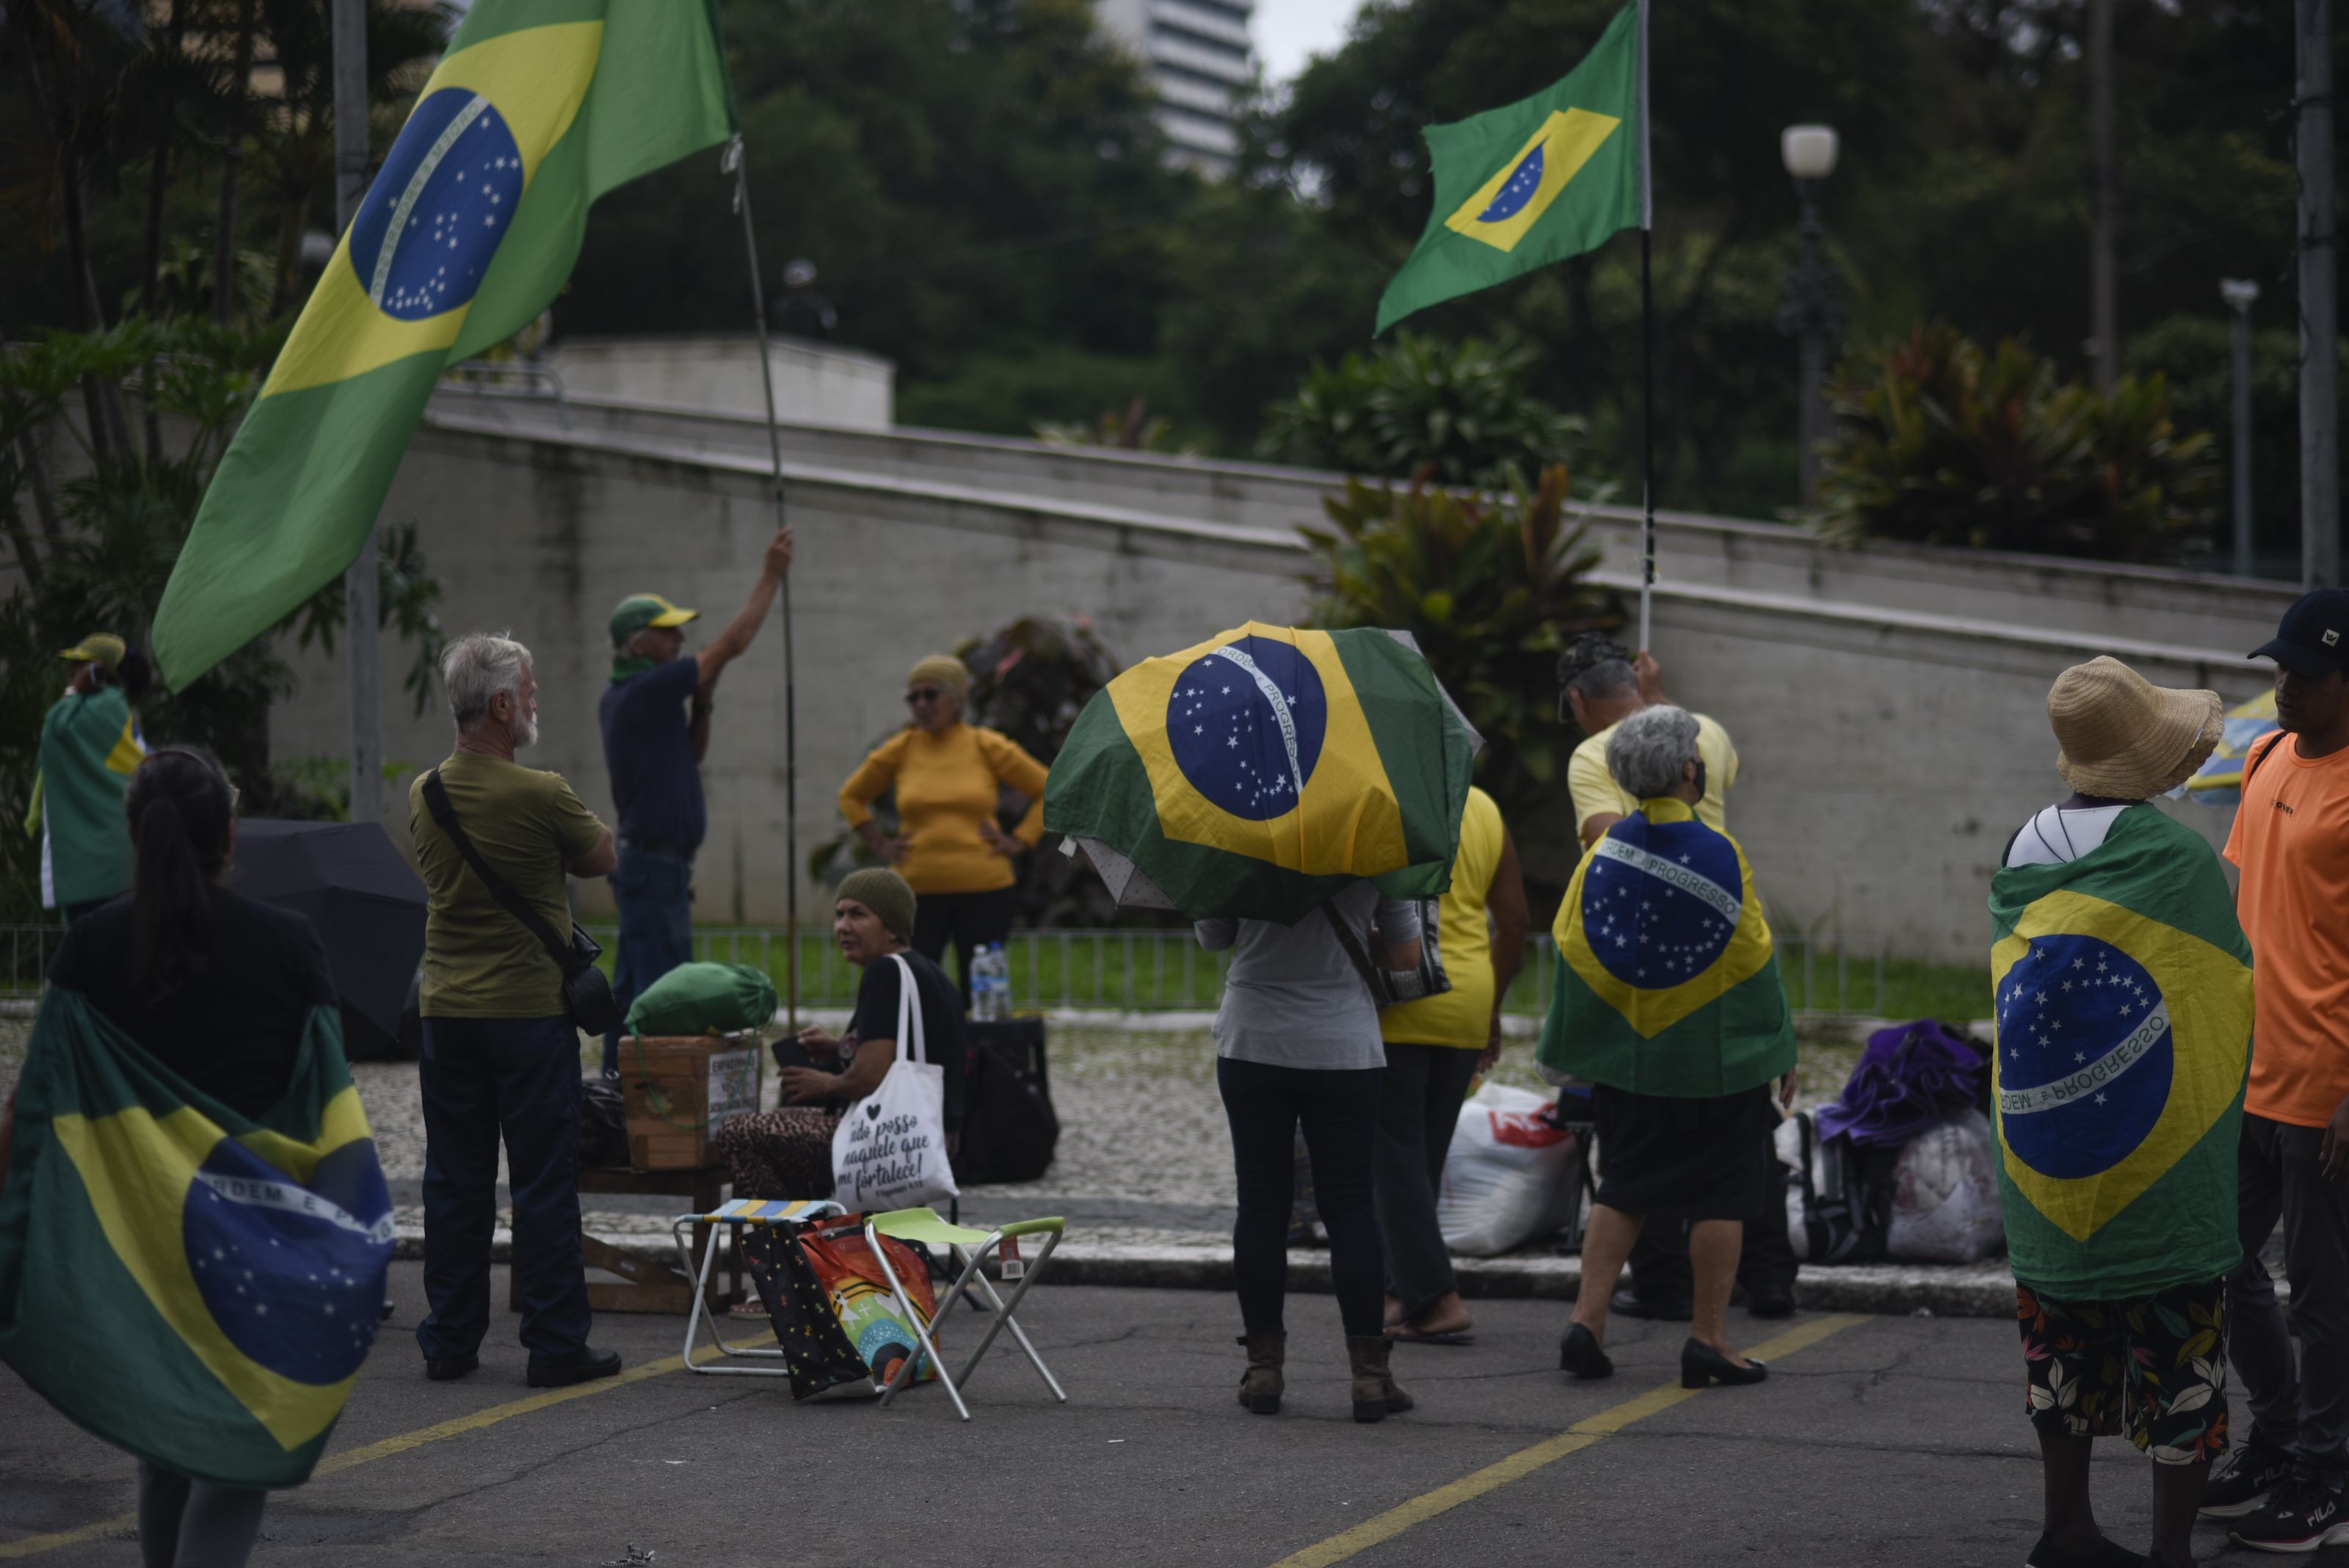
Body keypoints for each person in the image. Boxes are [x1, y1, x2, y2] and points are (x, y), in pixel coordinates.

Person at [14, 749, 341, 1568]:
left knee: (162, 1448)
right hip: (248, 1244)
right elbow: (327, 1107)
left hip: (139, 1244)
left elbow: (41, 1099)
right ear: (231, 832)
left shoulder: (92, 947)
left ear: (133, 833)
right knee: (228, 1470)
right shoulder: (289, 947)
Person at [1990, 657, 2245, 1568]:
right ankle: (2169, 1551)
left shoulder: (2020, 846)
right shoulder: (2173, 859)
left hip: (2047, 1151)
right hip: (2154, 1159)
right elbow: (2218, 995)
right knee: (2179, 1358)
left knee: (2059, 1343)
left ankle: (2064, 1528)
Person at [1545, 705, 1795, 1392]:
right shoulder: (1719, 852)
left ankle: (1585, 1324)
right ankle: (1709, 1340)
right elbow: (1752, 958)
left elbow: (1575, 946)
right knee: (1722, 1192)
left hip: (1630, 1060)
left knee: (1624, 1183)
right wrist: (1778, 1047)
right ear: (1691, 769)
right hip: (1714, 1062)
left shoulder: (1603, 853)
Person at [409, 632, 621, 1388]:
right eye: (528, 693)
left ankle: (449, 1341)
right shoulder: (542, 793)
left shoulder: (425, 792)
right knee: (541, 1182)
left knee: (454, 1181)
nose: (534, 704)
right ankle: (556, 1343)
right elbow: (602, 856)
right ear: (501, 705)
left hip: (446, 1013)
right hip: (528, 1014)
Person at [2204, 588, 2349, 1553]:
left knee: (2325, 1297)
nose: (2285, 685)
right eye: (2279, 668)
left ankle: (2324, 1478)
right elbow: (2253, 924)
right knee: (2213, 1260)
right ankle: (2284, 1433)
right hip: (2248, 1073)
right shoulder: (2261, 759)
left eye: (2305, 673)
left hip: (2326, 1087)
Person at [1200, 884, 1422, 1424]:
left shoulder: (1236, 836)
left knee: (1260, 1206)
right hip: (1342, 1044)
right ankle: (1369, 1378)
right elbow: (1406, 958)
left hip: (1253, 1040)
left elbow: (1214, 938)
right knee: (1350, 1210)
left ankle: (1264, 1372)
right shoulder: (1376, 843)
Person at [598, 526, 794, 1075]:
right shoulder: (642, 691)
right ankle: (656, 1091)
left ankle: (616, 1089)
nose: (680, 641)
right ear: (638, 643)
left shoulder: (640, 696)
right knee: (669, 992)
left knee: (635, 988)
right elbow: (729, 645)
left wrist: (702, 705)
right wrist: (771, 576)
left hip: (654, 864)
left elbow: (691, 754)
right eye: (668, 633)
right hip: (654, 866)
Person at [1374, 785, 1529, 1346]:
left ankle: (1436, 1300)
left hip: (1402, 995)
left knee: (1390, 1159)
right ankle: (1398, 1292)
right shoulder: (1483, 805)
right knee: (1422, 1161)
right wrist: (1492, 1007)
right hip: (1467, 999)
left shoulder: (1388, 798)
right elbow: (1513, 922)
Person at [714, 868, 967, 1202]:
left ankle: (786, 1244)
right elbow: (902, 1051)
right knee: (780, 1123)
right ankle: (812, 1238)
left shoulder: (885, 971)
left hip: (896, 1138)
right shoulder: (925, 970)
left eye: (858, 915)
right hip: (936, 1134)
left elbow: (871, 1076)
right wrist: (837, 1051)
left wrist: (823, 1084)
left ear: (892, 927)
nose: (842, 927)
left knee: (739, 1131)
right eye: (839, 914)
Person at [837, 655, 1050, 1005]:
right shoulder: (902, 749)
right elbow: (851, 796)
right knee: (915, 989)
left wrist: (1019, 841)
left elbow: (1049, 789)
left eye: (931, 695)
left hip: (986, 890)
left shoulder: (985, 745)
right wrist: (879, 843)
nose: (921, 704)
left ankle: (981, 1056)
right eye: (913, 697)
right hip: (914, 896)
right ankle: (919, 1057)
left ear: (957, 700)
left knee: (982, 993)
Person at [23, 633, 152, 923]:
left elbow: (55, 731)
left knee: (91, 957)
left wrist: (72, 691)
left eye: (79, 665)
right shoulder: (111, 708)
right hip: (109, 864)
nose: (71, 673)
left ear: (98, 672)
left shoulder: (104, 706)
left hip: (96, 869)